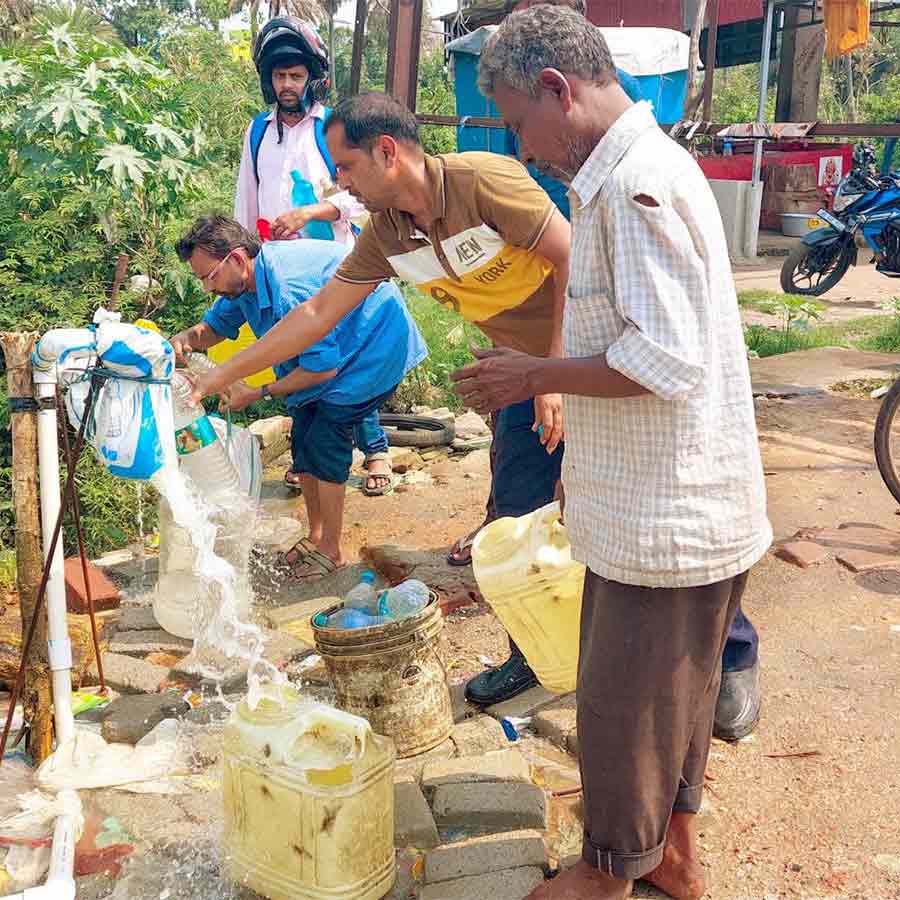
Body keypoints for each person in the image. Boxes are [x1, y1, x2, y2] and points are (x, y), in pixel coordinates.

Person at [453, 8, 772, 899]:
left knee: (624, 706)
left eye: (519, 121)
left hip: (666, 514)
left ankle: (608, 876)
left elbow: (665, 358)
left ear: (558, 89)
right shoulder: (636, 170)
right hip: (674, 500)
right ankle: (674, 857)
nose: (523, 145)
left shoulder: (634, 181)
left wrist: (535, 374)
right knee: (674, 697)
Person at [187, 93, 572, 705]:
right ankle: (534, 655)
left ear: (386, 152)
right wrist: (215, 376)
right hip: (524, 375)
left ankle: (721, 655)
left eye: (344, 168)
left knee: (619, 504)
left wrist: (554, 372)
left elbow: (569, 258)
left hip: (587, 356)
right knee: (520, 511)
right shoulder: (387, 233)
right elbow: (316, 315)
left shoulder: (482, 180)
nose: (339, 184)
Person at [172, 215, 427, 579]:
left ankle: (332, 550)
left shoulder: (289, 287)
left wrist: (256, 392)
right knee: (303, 437)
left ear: (238, 258)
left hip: (370, 350)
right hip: (328, 356)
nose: (207, 288)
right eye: (199, 279)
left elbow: (322, 370)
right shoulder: (242, 284)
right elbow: (213, 328)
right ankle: (317, 534)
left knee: (326, 439)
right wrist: (185, 339)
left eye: (208, 277)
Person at [234, 16, 392, 496]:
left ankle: (377, 449)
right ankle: (309, 458)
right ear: (269, 80)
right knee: (295, 360)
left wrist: (309, 212)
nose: (287, 85)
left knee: (348, 358)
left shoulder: (331, 129)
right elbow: (247, 196)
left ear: (312, 78)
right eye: (280, 76)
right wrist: (247, 252)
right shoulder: (258, 132)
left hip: (337, 266)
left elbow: (360, 194)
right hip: (280, 272)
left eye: (296, 76)